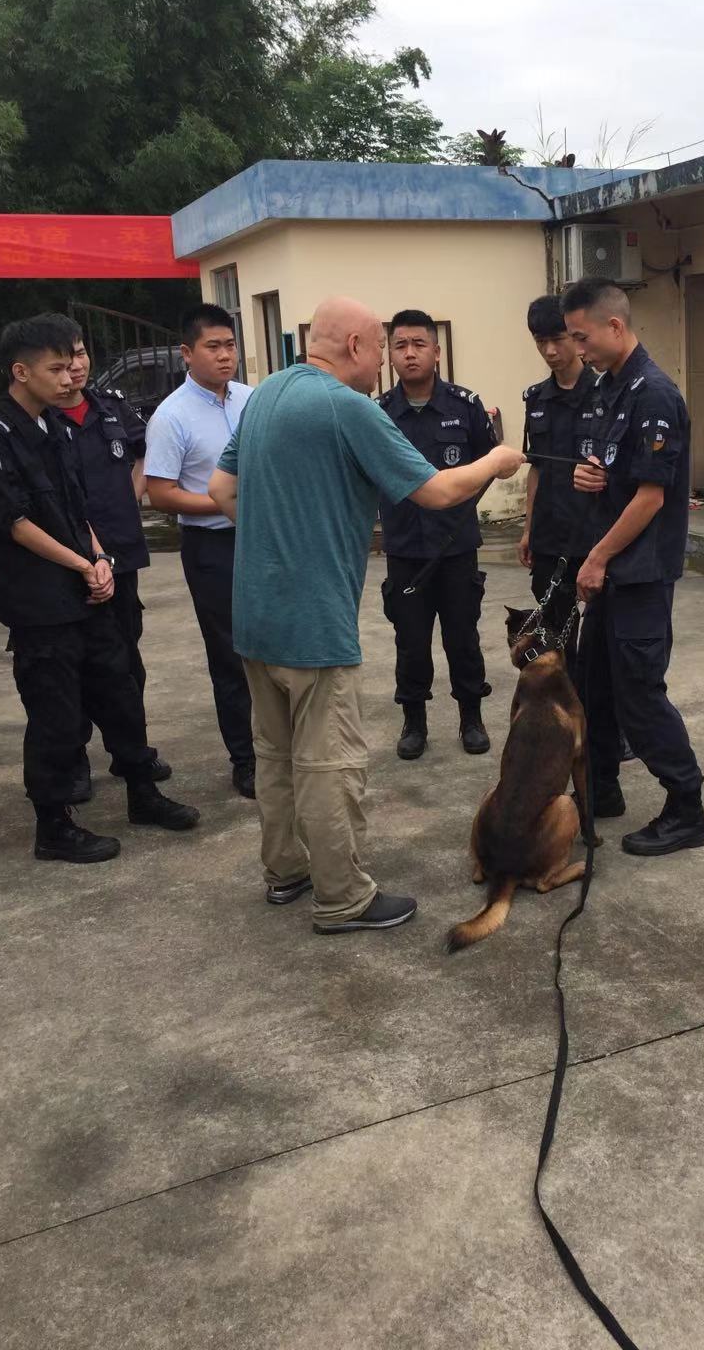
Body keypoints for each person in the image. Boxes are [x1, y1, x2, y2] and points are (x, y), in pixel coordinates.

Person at [208, 296, 524, 934]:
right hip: (312, 624)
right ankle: (343, 898)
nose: (385, 361)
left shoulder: (266, 394)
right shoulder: (345, 406)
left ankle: (286, 871)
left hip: (255, 615)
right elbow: (438, 491)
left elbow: (220, 490)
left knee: (275, 757)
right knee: (328, 763)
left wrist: (275, 546)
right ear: (353, 345)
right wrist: (498, 460)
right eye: (380, 347)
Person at [0, 317, 200, 863]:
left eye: (73, 362)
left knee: (119, 689)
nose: (71, 376)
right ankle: (54, 826)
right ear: (21, 372)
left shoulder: (57, 428)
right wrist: (81, 563)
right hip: (42, 605)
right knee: (57, 714)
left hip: (88, 589)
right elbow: (16, 523)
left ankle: (143, 791)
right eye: (56, 367)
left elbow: (76, 508)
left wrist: (98, 559)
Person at [561, 277, 704, 856]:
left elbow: (651, 497)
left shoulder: (653, 393)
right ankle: (601, 790)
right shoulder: (609, 389)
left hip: (638, 574)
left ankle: (686, 806)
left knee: (639, 694)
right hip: (608, 568)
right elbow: (609, 469)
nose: (578, 349)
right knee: (592, 683)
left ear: (614, 326)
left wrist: (597, 558)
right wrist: (587, 475)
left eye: (582, 336)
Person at [46, 313, 171, 800]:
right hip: (67, 561)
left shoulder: (111, 406)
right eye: (63, 358)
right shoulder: (38, 422)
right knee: (72, 665)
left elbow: (143, 453)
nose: (74, 367)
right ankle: (74, 760)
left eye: (79, 353)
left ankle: (130, 751)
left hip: (120, 553)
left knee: (124, 660)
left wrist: (130, 496)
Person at [145, 305, 255, 798]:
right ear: (187, 353)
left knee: (273, 645)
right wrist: (226, 502)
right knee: (230, 655)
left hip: (259, 538)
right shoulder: (171, 416)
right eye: (213, 347)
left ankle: (280, 748)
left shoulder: (253, 400)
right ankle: (246, 760)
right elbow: (161, 493)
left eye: (230, 345)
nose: (225, 355)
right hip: (211, 545)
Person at [376, 309, 496, 760]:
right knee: (410, 641)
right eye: (401, 345)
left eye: (419, 344)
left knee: (462, 637)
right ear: (389, 354)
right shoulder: (379, 414)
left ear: (437, 352)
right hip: (405, 549)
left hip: (456, 548)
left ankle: (471, 717)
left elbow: (488, 467)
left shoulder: (465, 407)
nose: (410, 354)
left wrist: (458, 510)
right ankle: (414, 722)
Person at [518, 294, 600, 686]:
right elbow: (536, 469)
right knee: (558, 637)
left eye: (558, 339)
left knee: (604, 637)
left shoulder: (606, 393)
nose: (550, 351)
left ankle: (606, 723)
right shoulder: (536, 399)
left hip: (596, 536)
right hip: (551, 539)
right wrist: (528, 528)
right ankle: (568, 717)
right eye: (539, 342)